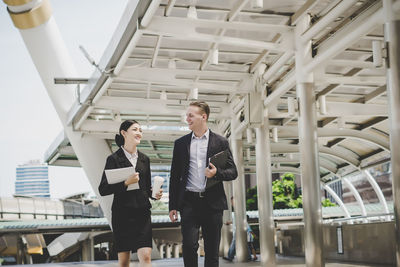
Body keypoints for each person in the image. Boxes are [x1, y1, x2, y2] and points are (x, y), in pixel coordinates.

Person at [168, 101, 238, 267]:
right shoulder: (180, 144)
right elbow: (174, 177)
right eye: (187, 116)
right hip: (189, 203)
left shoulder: (220, 142)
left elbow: (233, 172)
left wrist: (217, 173)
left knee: (212, 251)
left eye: (190, 115)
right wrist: (173, 206)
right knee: (189, 247)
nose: (187, 119)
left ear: (203, 117)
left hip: (212, 203)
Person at [98, 120, 163, 267]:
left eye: (140, 130)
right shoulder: (113, 159)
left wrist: (154, 194)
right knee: (124, 261)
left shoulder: (144, 159)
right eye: (135, 129)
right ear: (124, 133)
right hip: (122, 214)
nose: (139, 133)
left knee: (146, 257)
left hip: (142, 213)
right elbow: (103, 189)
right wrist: (125, 183)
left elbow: (146, 188)